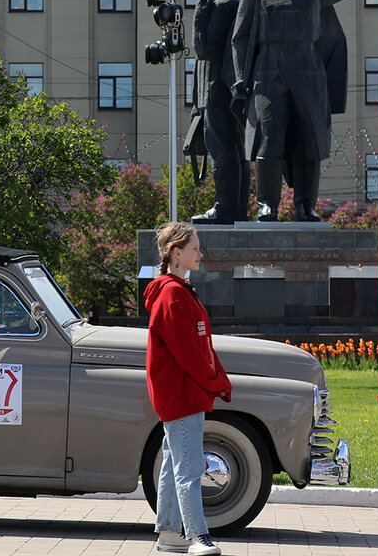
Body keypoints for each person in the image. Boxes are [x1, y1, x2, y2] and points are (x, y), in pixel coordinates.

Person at [231, 0, 367, 222]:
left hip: (308, 71)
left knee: (309, 140)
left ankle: (305, 205)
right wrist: (240, 78)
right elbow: (239, 38)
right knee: (270, 137)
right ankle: (267, 203)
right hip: (268, 72)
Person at [143, 222, 232, 556]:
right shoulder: (172, 295)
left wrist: (216, 378)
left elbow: (200, 346)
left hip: (181, 394)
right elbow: (190, 354)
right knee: (190, 468)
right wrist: (218, 382)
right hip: (181, 396)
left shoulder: (176, 291)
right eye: (194, 248)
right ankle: (197, 536)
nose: (200, 253)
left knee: (173, 463)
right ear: (176, 253)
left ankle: (169, 534)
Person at [190, 0, 249, 225]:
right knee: (232, 148)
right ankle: (234, 209)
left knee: (223, 149)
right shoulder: (223, 2)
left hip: (218, 88)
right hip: (213, 88)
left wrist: (199, 15)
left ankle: (226, 209)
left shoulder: (223, 4)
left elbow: (205, 50)